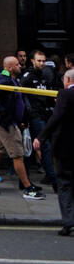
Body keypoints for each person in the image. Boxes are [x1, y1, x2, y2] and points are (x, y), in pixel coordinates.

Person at [0, 55, 44, 200]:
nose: (21, 66)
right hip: (6, 124)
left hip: (8, 123)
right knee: (18, 155)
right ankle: (28, 188)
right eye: (17, 64)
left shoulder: (12, 79)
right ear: (11, 67)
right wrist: (3, 113)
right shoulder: (3, 79)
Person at [33, 67, 74, 236]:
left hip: (65, 147)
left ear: (68, 80)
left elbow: (55, 118)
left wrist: (40, 137)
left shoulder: (64, 94)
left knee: (64, 184)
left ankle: (68, 222)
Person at [22, 48, 58, 189]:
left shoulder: (44, 75)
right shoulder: (27, 77)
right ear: (33, 61)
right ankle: (53, 180)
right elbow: (22, 96)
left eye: (44, 61)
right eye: (39, 60)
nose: (42, 63)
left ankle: (24, 181)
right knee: (43, 147)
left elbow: (46, 95)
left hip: (43, 114)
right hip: (33, 116)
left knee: (30, 149)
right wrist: (26, 115)